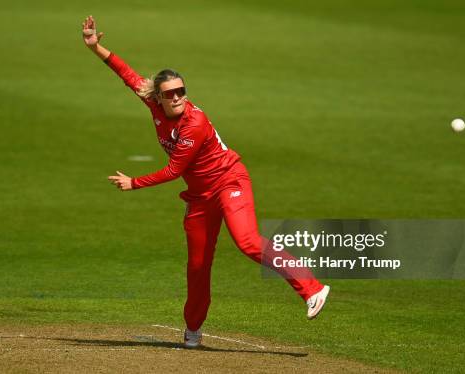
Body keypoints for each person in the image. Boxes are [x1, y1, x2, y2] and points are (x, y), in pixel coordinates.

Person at [82, 15, 330, 348]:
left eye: (182, 91)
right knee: (198, 265)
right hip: (199, 196)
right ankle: (193, 328)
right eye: (170, 93)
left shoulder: (194, 123)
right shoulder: (154, 103)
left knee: (247, 241)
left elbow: (173, 170)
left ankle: (312, 288)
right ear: (158, 95)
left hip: (229, 181)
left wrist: (135, 183)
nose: (177, 97)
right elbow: (128, 76)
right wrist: (96, 47)